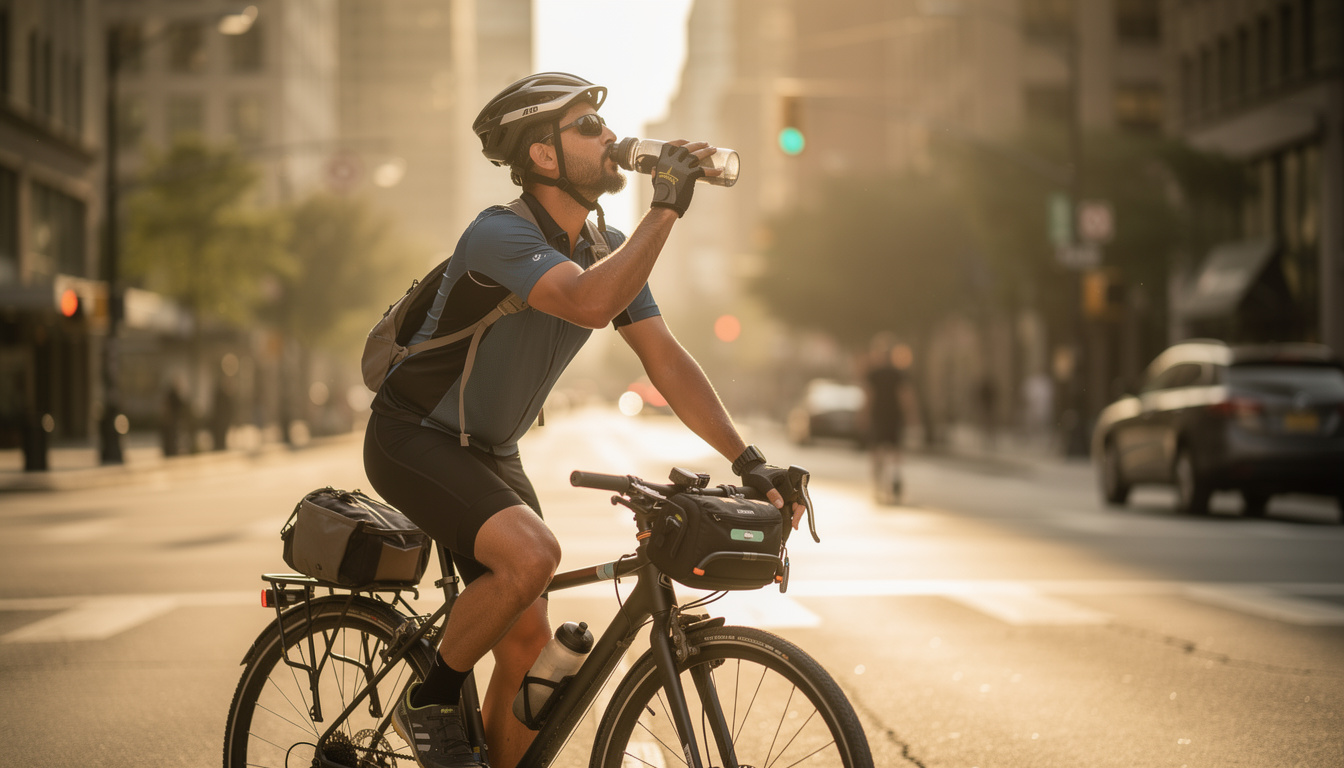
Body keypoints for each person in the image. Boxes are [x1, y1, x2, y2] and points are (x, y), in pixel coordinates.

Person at [362, 72, 809, 768]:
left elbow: (665, 359)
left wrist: (749, 460)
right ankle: (428, 699)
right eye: (589, 127)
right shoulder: (498, 234)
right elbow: (586, 303)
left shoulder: (606, 245)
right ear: (543, 154)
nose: (610, 137)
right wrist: (666, 208)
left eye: (605, 124)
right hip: (412, 435)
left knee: (527, 646)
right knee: (533, 556)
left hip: (490, 449)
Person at [864, 334, 916, 504]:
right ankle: (895, 478)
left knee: (876, 451)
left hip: (878, 416)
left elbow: (869, 396)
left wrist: (864, 415)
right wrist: (910, 416)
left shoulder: (873, 374)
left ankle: (878, 484)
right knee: (895, 451)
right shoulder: (899, 374)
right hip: (894, 416)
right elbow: (905, 396)